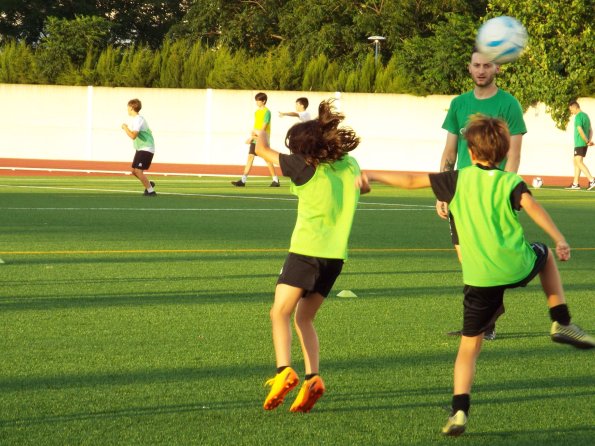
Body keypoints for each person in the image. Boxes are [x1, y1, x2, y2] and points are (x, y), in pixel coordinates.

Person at [358, 114, 595, 437]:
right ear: (504, 153)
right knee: (546, 255)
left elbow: (412, 180)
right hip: (515, 263)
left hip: (480, 277)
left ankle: (459, 411)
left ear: (470, 152)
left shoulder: (457, 180)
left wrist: (371, 173)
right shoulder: (510, 182)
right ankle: (561, 321)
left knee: (469, 348)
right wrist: (559, 237)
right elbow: (533, 207)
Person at [255, 99, 365, 413]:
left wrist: (262, 125)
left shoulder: (304, 167)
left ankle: (283, 371)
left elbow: (263, 150)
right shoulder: (350, 165)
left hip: (306, 251)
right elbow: (360, 185)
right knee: (305, 317)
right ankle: (313, 378)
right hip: (335, 258)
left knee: (279, 314)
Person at [438, 48, 527, 340]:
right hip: (462, 194)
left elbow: (513, 155)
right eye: (476, 65)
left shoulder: (509, 104)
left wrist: (508, 191)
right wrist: (443, 191)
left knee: (486, 260)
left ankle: (483, 326)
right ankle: (485, 318)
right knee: (468, 260)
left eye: (487, 66)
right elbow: (450, 152)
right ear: (469, 67)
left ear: (496, 69)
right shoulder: (459, 104)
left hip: (493, 194)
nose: (481, 70)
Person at [231, 92, 280, 187]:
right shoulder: (257, 112)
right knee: (250, 157)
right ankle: (243, 181)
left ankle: (275, 180)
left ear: (264, 101)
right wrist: (253, 135)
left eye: (258, 100)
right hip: (256, 138)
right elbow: (256, 126)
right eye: (256, 100)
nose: (257, 102)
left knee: (267, 159)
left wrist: (253, 137)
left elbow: (263, 127)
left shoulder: (267, 112)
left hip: (262, 138)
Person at [121, 98, 156, 196]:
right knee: (134, 171)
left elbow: (133, 136)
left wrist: (125, 128)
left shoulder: (138, 120)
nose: (127, 109)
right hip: (141, 148)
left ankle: (151, 191)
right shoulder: (137, 120)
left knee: (138, 171)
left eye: (128, 107)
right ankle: (149, 185)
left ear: (132, 108)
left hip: (146, 148)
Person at [565, 100, 595, 190]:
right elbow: (590, 130)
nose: (571, 112)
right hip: (583, 143)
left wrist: (586, 141)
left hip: (580, 142)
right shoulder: (586, 116)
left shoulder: (578, 116)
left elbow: (580, 130)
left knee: (578, 161)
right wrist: (589, 141)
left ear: (575, 107)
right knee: (576, 161)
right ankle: (575, 184)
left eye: (571, 110)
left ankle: (592, 180)